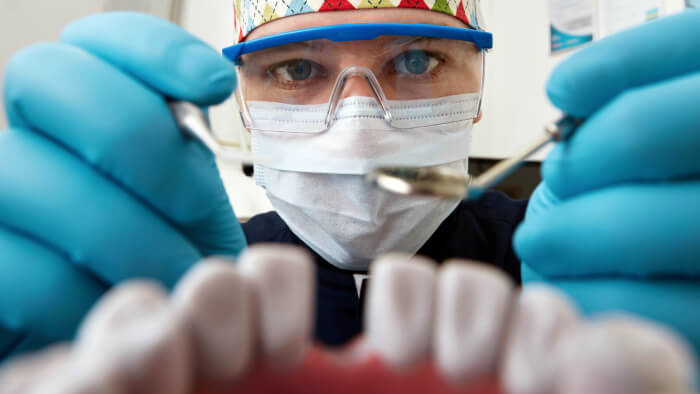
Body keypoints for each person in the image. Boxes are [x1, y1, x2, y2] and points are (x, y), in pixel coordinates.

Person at [0, 0, 698, 367]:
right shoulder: (167, 276)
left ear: (479, 87)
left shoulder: (573, 256)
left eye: (417, 59)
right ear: (241, 101)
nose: (360, 125)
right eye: (298, 71)